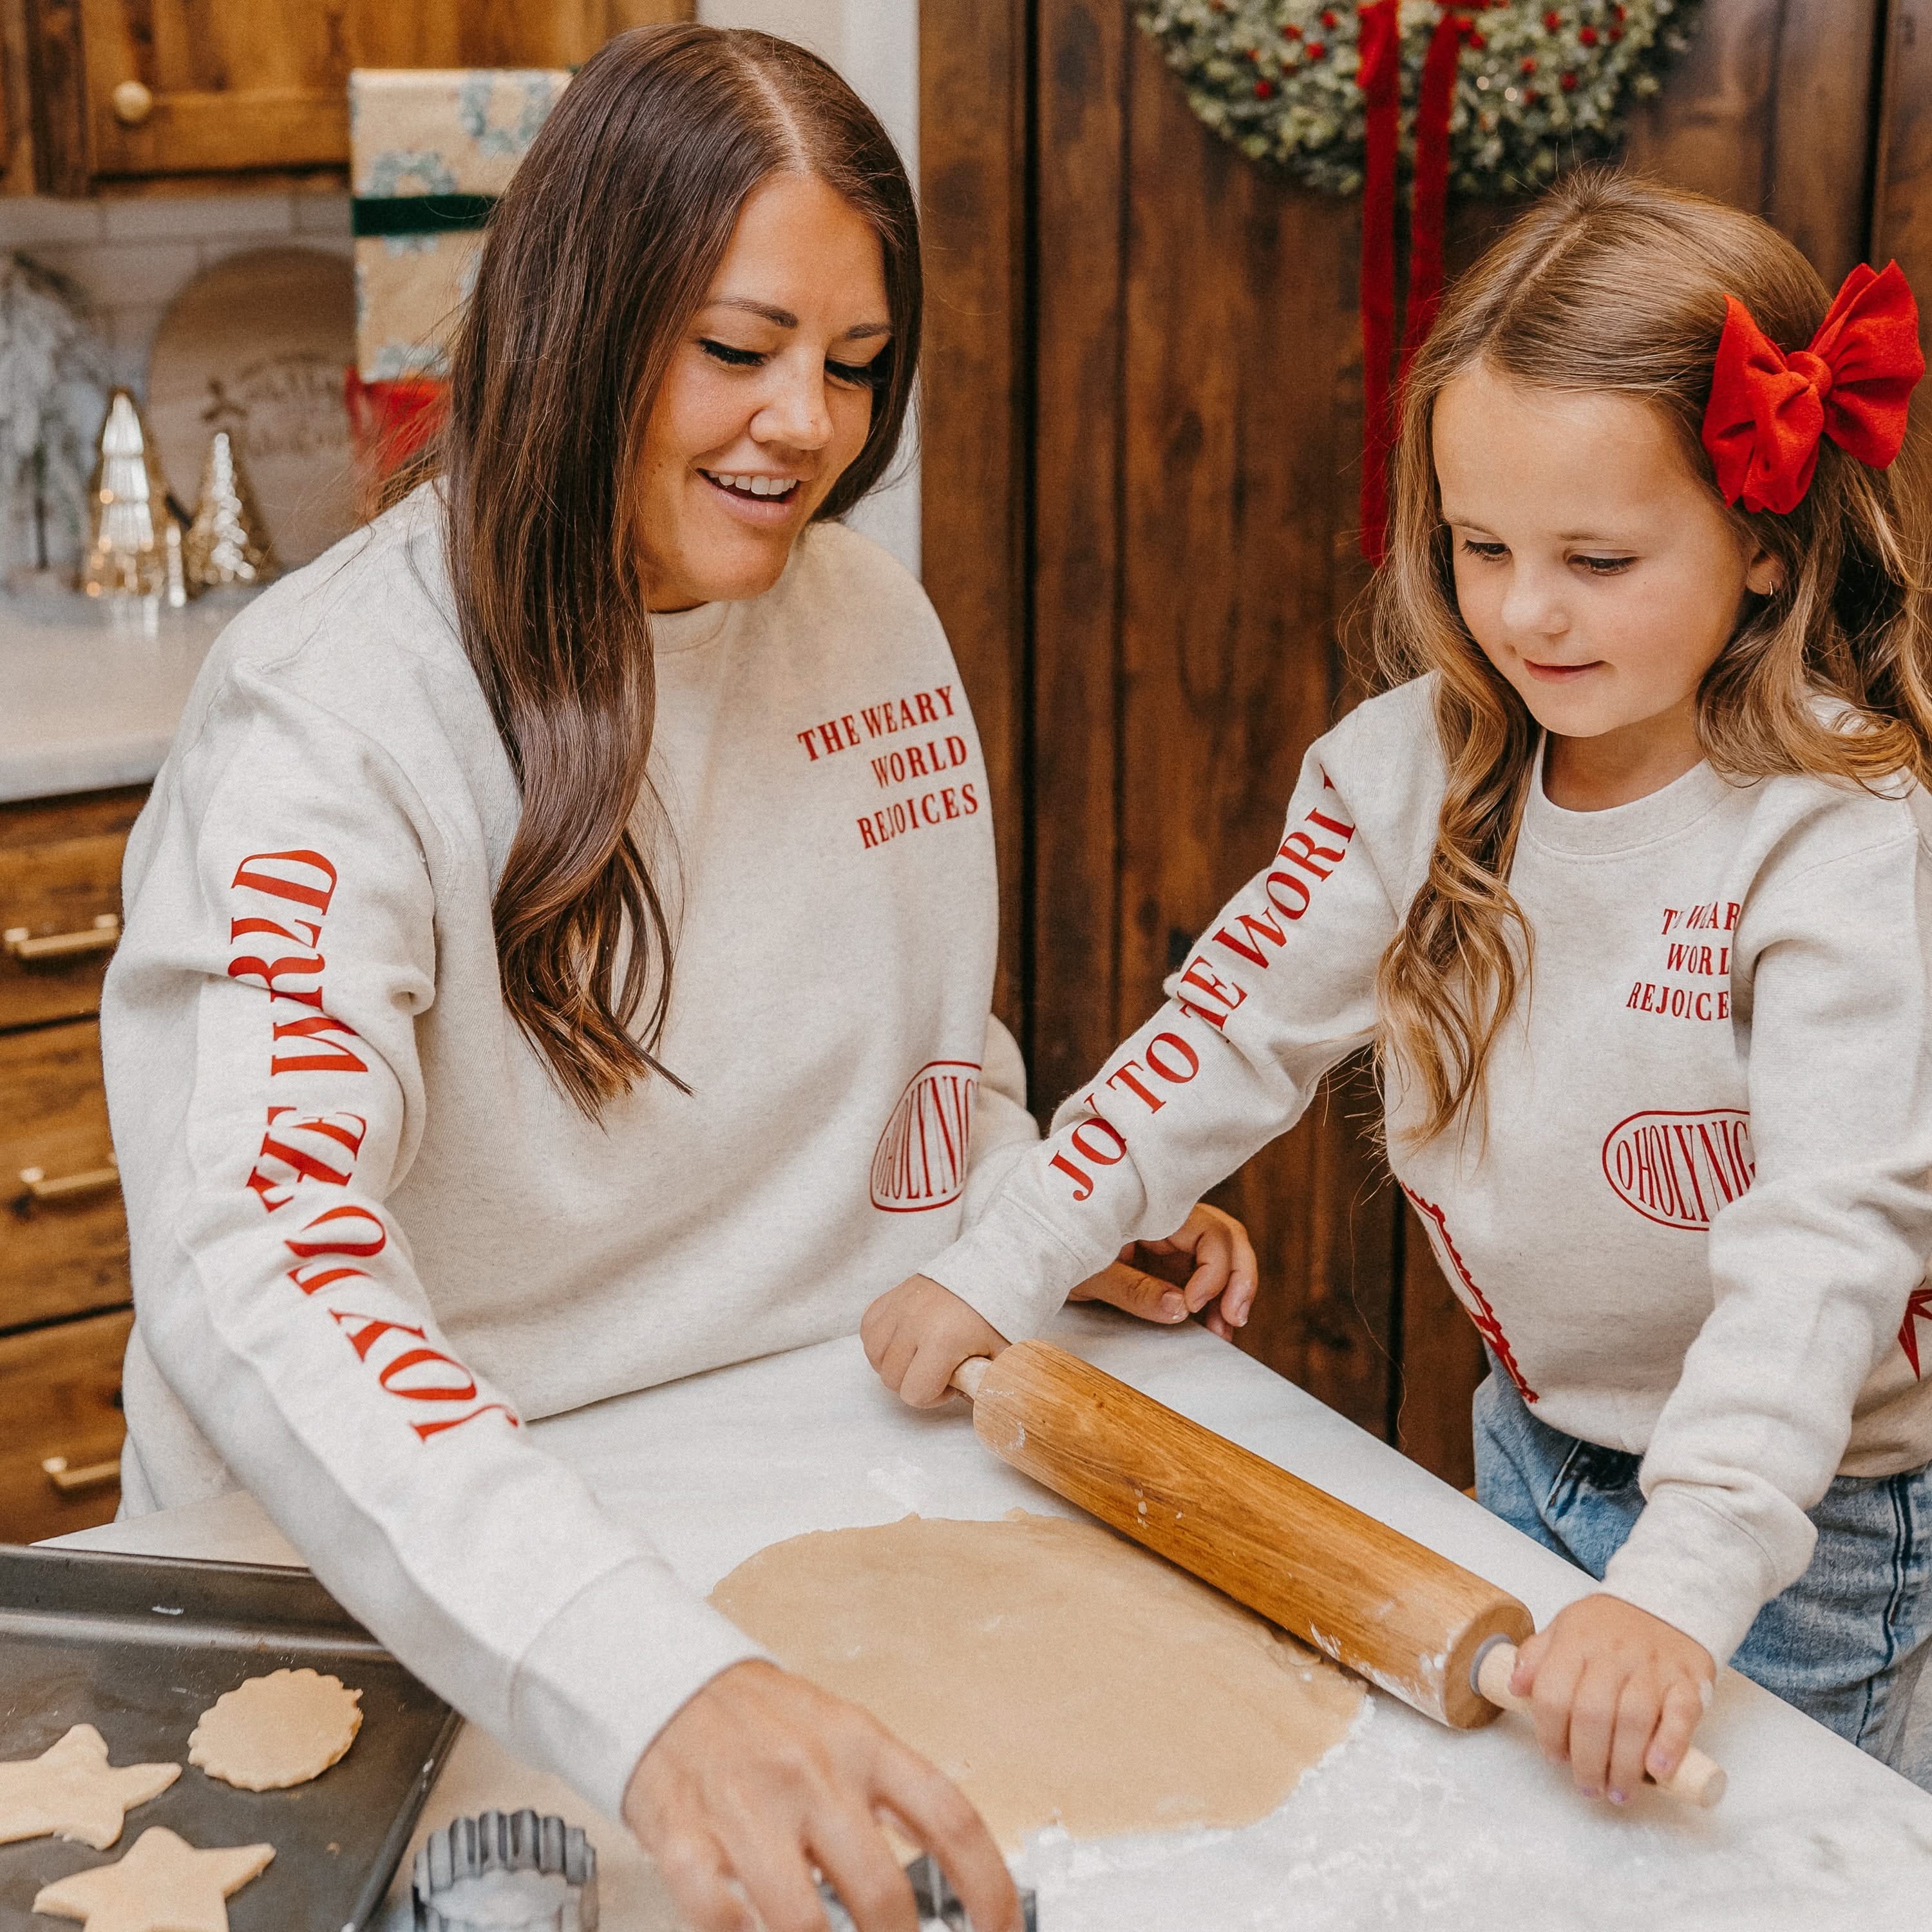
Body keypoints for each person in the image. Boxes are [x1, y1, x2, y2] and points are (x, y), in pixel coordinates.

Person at [99, 26, 1255, 1932]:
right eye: (738, 349)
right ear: (580, 321)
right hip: (414, 1569)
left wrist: (1023, 1206)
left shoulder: (870, 615)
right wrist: (648, 1675)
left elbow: (910, 1035)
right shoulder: (334, 717)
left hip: (808, 1477)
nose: (806, 423)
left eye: (856, 365)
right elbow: (270, 1259)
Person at [865, 171, 1932, 1805]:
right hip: (1534, 1437)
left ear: (1768, 550)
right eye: (1481, 543)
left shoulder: (1840, 839)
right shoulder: (1403, 775)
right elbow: (1218, 1034)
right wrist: (1003, 1262)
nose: (1521, 612)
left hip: (1804, 1519)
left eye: (1597, 557)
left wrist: (1680, 1588)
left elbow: (1823, 1255)